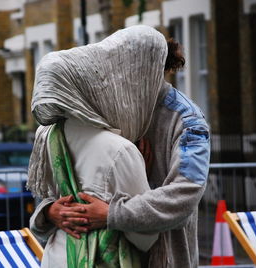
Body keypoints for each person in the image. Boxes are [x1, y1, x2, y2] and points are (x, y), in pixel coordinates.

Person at [41, 35, 211, 267]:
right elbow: (77, 178)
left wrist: (112, 214)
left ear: (148, 68)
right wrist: (50, 211)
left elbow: (184, 195)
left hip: (164, 257)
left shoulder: (188, 120)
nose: (115, 75)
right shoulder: (102, 108)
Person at [27, 25, 168, 267]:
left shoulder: (48, 136)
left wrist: (50, 213)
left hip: (57, 257)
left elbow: (43, 211)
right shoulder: (120, 150)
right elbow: (146, 235)